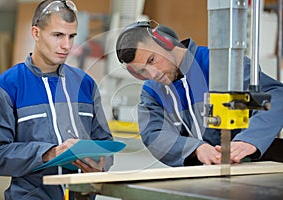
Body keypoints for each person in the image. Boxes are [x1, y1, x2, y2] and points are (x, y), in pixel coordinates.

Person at [0, 0, 113, 199]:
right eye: (58, 35)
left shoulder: (86, 84)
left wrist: (101, 163)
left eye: (71, 36)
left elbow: (104, 142)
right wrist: (49, 153)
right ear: (35, 33)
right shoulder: (7, 87)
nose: (66, 45)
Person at [115, 20, 283, 167]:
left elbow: (276, 96)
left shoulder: (222, 65)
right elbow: (154, 134)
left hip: (252, 168)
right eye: (142, 71)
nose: (153, 74)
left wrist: (250, 139)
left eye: (152, 60)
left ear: (166, 42)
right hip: (204, 175)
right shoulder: (152, 91)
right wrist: (195, 148)